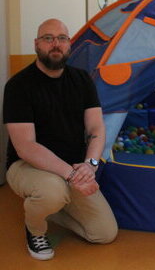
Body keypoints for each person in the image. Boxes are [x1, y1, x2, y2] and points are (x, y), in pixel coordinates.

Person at [3, 19, 118, 260]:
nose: (55, 44)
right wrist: (72, 175)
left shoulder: (82, 80)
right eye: (48, 38)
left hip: (72, 166)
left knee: (104, 233)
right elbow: (26, 147)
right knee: (53, 191)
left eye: (62, 38)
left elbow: (96, 127)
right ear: (37, 44)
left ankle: (46, 208)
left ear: (69, 44)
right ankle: (35, 229)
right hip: (27, 166)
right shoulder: (18, 86)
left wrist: (90, 165)